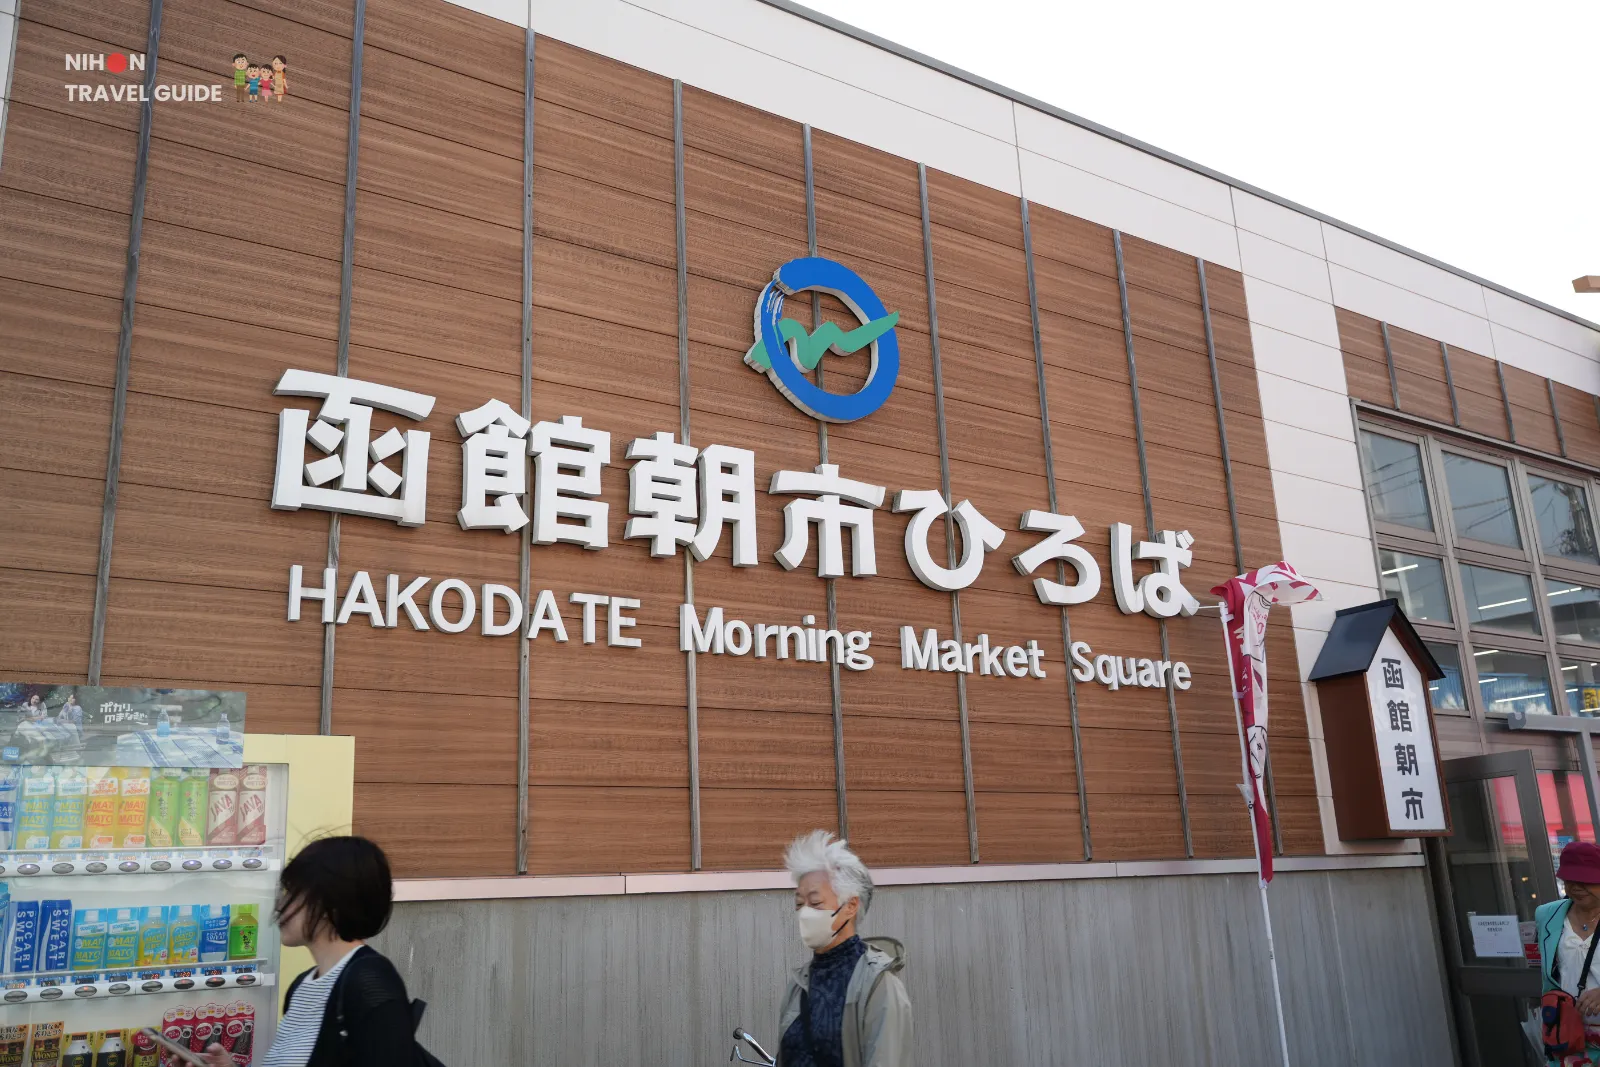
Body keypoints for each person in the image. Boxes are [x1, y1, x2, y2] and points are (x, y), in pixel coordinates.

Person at [199, 835, 421, 1067]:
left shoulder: (369, 982)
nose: (280, 906)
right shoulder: (301, 986)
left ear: (328, 903)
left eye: (291, 892)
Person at [775, 830, 912, 1067]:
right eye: (799, 903)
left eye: (815, 902)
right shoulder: (799, 984)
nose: (804, 913)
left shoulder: (878, 985)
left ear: (850, 906)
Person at [1537, 841, 1600, 1065]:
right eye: (1570, 879)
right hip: (1567, 1035)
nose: (1576, 887)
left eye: (1586, 880)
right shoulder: (1546, 914)